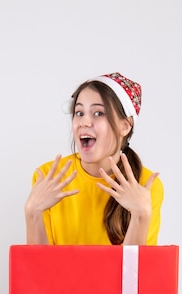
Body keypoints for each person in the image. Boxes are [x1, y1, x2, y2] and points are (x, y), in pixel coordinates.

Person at [24, 72, 163, 245]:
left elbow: (137, 271)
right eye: (79, 112)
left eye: (98, 113)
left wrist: (140, 215)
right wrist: (32, 213)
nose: (84, 122)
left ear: (124, 126)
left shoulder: (145, 185)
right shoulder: (49, 177)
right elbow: (39, 268)